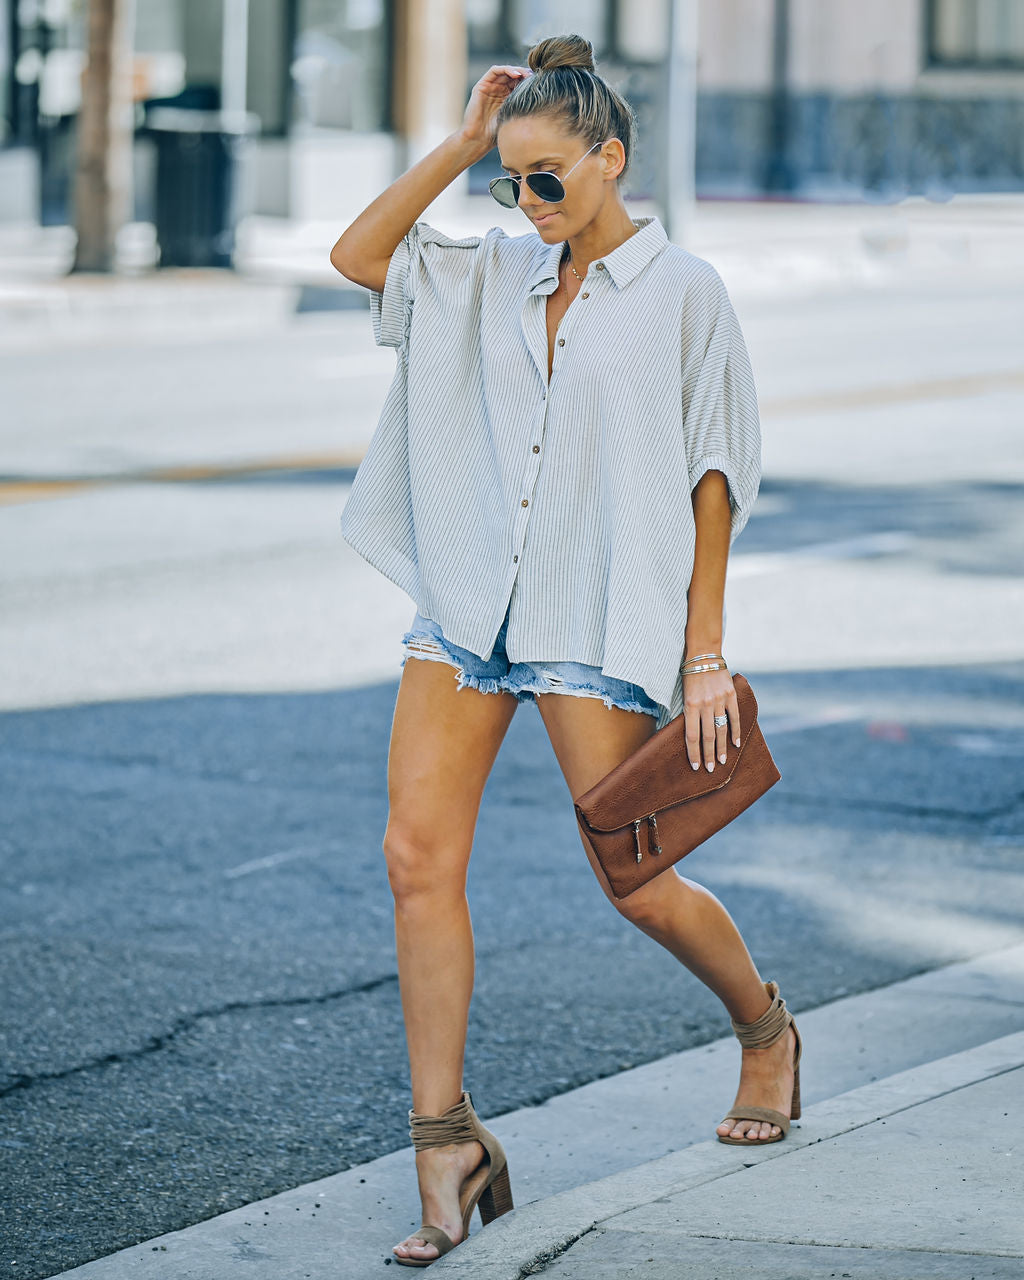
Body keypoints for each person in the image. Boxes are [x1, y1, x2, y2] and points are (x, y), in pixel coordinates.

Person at [329, 31, 802, 1269]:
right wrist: (464, 141)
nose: (528, 202)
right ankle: (446, 1141)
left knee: (635, 875)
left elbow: (714, 473)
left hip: (592, 616)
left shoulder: (682, 291)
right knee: (413, 857)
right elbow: (358, 255)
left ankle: (763, 1025)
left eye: (549, 177)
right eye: (512, 179)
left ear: (612, 159)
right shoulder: (485, 272)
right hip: (469, 603)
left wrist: (704, 653)